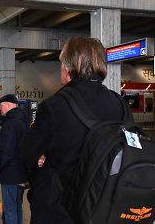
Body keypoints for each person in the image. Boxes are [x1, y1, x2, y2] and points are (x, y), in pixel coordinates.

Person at [20, 37, 125, 224]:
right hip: (103, 205)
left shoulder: (55, 106)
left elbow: (28, 152)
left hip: (60, 207)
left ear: (69, 67)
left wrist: (42, 160)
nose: (61, 68)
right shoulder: (120, 104)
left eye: (62, 63)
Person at [0, 94, 28, 224]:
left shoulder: (10, 124)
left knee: (9, 208)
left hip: (10, 173)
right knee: (17, 206)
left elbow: (5, 151)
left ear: (8, 105)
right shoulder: (23, 121)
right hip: (21, 173)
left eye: (1, 106)